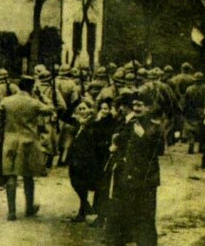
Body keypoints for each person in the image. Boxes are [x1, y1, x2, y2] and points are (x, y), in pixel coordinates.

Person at [0, 75, 54, 221]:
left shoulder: (6, 101)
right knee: (28, 176)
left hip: (10, 141)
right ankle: (29, 208)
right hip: (29, 142)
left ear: (18, 86)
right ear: (32, 88)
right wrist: (42, 95)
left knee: (10, 175)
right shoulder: (34, 103)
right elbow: (51, 109)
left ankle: (11, 212)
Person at [103, 90, 162, 246]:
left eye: (140, 105)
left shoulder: (154, 126)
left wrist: (142, 135)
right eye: (134, 105)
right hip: (128, 177)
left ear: (148, 107)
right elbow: (120, 142)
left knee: (145, 217)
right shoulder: (131, 124)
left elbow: (158, 149)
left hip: (146, 179)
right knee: (126, 213)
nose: (136, 108)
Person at [67, 99, 118, 225]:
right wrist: (77, 101)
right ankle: (85, 207)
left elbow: (95, 139)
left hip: (89, 159)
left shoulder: (95, 122)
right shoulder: (78, 121)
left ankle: (86, 211)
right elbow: (64, 115)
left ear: (90, 110)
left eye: (84, 108)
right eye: (80, 109)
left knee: (86, 184)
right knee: (76, 183)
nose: (82, 111)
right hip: (75, 158)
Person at [183, 72, 205, 154]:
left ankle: (191, 144)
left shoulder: (189, 89)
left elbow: (186, 102)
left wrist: (184, 111)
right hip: (202, 110)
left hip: (191, 111)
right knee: (202, 128)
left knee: (190, 129)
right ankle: (201, 147)